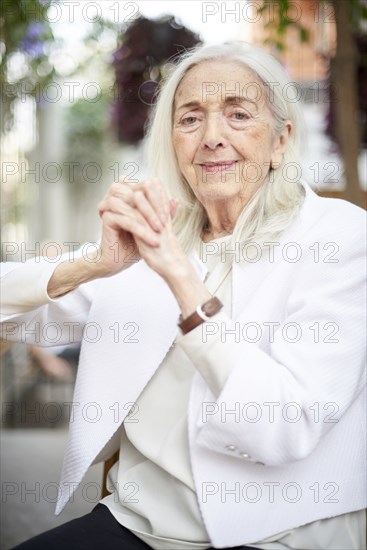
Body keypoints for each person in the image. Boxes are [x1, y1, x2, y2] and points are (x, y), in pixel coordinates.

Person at [1, 42, 365, 550]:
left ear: (281, 140)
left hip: (280, 536)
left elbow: (284, 428)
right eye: (190, 118)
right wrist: (92, 265)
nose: (212, 137)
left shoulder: (340, 237)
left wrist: (183, 283)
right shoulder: (153, 242)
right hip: (137, 525)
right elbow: (10, 315)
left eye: (238, 114)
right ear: (173, 142)